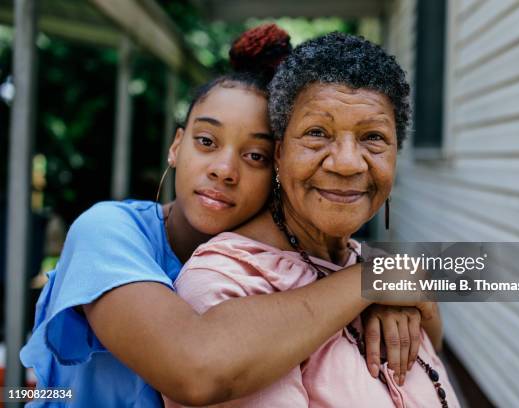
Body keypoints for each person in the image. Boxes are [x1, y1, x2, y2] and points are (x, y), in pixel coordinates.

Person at [20, 26, 429, 407]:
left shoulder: (290, 262)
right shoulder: (108, 231)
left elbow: (476, 273)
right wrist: (372, 282)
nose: (224, 169)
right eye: (206, 141)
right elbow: (194, 368)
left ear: (278, 169)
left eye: (255, 155)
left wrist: (396, 292)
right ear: (177, 146)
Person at [169, 32, 458, 407]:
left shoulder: (367, 263)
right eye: (317, 133)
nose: (347, 162)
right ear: (279, 154)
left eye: (373, 137)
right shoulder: (226, 283)